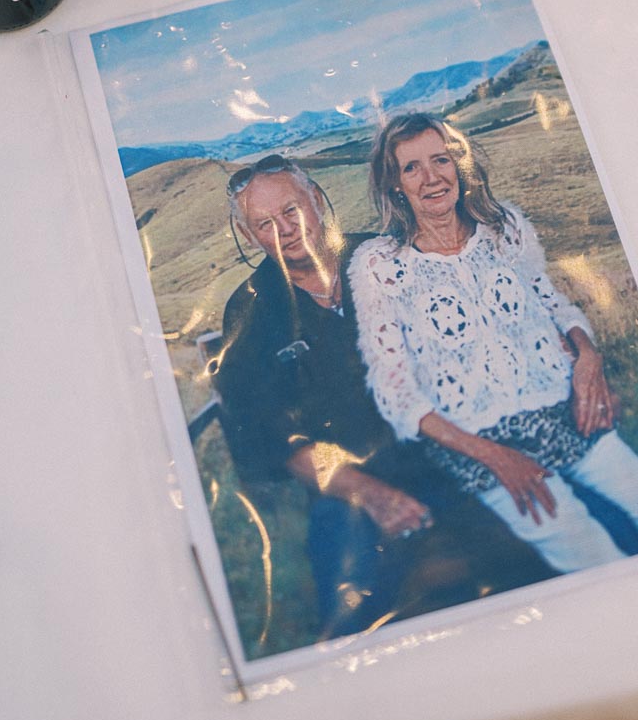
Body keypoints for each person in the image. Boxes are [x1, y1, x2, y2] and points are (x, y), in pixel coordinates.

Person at [214, 152, 555, 641]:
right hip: (349, 490)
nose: (285, 230)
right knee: (354, 627)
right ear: (249, 237)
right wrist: (372, 494)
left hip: (451, 452)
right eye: (264, 224)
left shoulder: (388, 259)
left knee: (547, 557)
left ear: (317, 201)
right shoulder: (248, 315)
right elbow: (272, 441)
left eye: (291, 211)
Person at [348, 113, 638, 574]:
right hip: (480, 447)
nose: (432, 177)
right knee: (599, 564)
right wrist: (496, 456)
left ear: (460, 165)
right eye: (412, 167)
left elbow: (555, 305)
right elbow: (396, 394)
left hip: (565, 414)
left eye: (441, 159)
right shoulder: (378, 265)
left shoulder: (505, 227)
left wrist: (588, 360)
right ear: (395, 184)